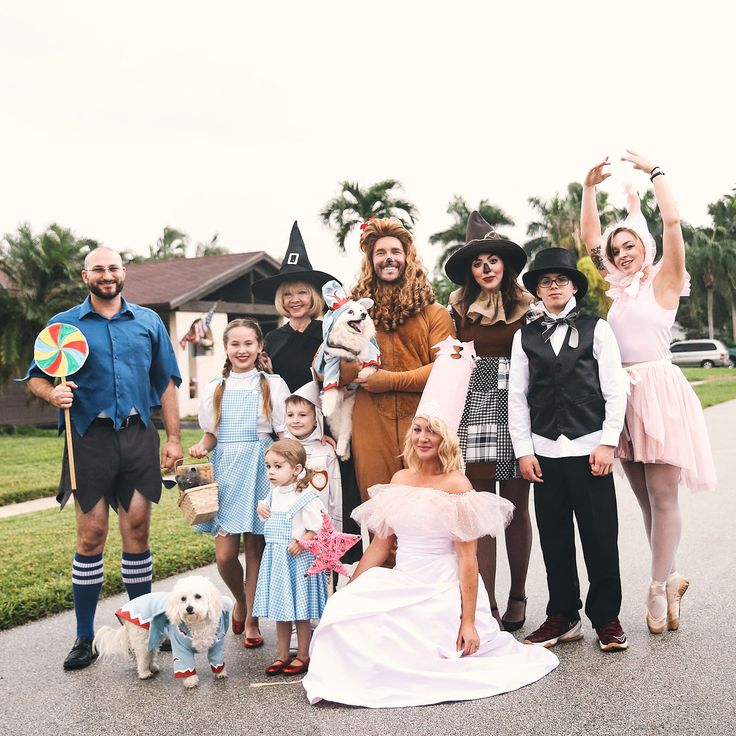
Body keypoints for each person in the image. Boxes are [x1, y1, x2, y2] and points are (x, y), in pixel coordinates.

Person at [302, 349, 558, 707]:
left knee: (423, 644)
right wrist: (352, 587)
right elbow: (379, 546)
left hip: (441, 586)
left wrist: (468, 621)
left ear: (444, 440)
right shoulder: (400, 478)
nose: (423, 438)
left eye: (432, 433)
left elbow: (468, 561)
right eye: (418, 430)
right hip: (404, 577)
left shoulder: (457, 486)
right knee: (347, 610)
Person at [26, 246, 183, 671]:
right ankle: (83, 637)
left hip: (136, 437)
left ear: (124, 273)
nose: (107, 274)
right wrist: (52, 392)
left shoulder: (148, 322)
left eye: (113, 268)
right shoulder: (64, 326)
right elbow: (37, 377)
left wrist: (172, 438)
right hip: (87, 440)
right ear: (86, 276)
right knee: (90, 536)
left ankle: (143, 629)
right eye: (99, 269)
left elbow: (166, 383)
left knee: (137, 531)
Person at [581, 151, 716, 633]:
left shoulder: (666, 281)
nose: (620, 253)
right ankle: (672, 575)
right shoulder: (619, 290)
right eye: (617, 250)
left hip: (658, 392)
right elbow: (590, 239)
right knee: (643, 499)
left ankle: (657, 587)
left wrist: (655, 172)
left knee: (663, 496)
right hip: (625, 397)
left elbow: (673, 220)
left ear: (645, 247)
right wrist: (589, 189)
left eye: (629, 246)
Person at [508, 248, 628, 651]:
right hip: (544, 450)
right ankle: (563, 614)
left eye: (560, 280)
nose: (553, 286)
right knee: (554, 538)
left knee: (599, 535)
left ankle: (607, 618)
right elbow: (517, 398)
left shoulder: (598, 328)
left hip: (590, 447)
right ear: (538, 291)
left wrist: (608, 441)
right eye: (545, 282)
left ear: (574, 285)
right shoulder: (525, 335)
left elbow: (615, 389)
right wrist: (524, 451)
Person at [444, 210, 535, 630]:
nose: (486, 269)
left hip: (518, 407)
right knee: (480, 511)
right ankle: (487, 604)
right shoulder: (457, 310)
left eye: (493, 261)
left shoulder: (528, 308)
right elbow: (448, 361)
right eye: (478, 263)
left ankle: (518, 595)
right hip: (474, 408)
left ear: (505, 265)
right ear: (470, 270)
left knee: (516, 507)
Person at [189, 318, 290, 649]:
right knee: (225, 554)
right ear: (226, 348)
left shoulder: (272, 385)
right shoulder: (215, 387)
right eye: (235, 344)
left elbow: (282, 432)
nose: (242, 350)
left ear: (260, 346)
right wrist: (201, 447)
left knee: (254, 547)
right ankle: (240, 599)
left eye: (249, 343)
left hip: (262, 467)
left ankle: (251, 620)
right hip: (227, 471)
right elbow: (210, 435)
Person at [346, 217, 454, 501]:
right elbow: (327, 367)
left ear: (408, 257)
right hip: (369, 423)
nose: (388, 259)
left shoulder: (434, 313)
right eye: (380, 253)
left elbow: (447, 368)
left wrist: (389, 380)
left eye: (395, 251)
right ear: (370, 261)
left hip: (423, 425)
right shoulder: (354, 312)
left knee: (427, 510)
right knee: (378, 511)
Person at [254, 439, 329, 677]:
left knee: (300, 611)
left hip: (297, 560)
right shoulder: (274, 493)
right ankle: (283, 654)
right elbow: (267, 512)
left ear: (296, 469)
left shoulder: (305, 496)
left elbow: (316, 527)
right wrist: (262, 509)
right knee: (281, 610)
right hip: (277, 559)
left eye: (278, 466)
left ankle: (303, 654)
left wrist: (302, 540)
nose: (271, 472)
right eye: (268, 467)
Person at [252, 221, 337, 391]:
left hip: (325, 414)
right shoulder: (272, 339)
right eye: (287, 294)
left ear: (313, 296)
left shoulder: (328, 333)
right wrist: (268, 373)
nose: (294, 299)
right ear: (281, 300)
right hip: (285, 414)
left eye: (302, 292)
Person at [284, 381, 342, 531]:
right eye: (290, 415)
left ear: (316, 419)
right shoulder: (282, 450)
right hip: (290, 527)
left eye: (302, 415)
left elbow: (335, 493)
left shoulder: (326, 451)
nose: (295, 420)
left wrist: (334, 529)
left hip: (320, 527)